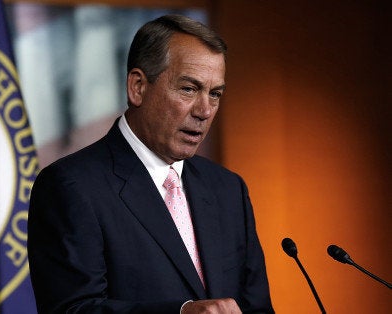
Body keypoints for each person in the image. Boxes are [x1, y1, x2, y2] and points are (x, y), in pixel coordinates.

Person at [28, 14, 274, 314]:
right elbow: (72, 310)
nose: (205, 110)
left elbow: (257, 308)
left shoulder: (228, 189)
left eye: (215, 94)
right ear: (138, 87)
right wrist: (181, 313)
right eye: (188, 89)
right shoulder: (71, 186)